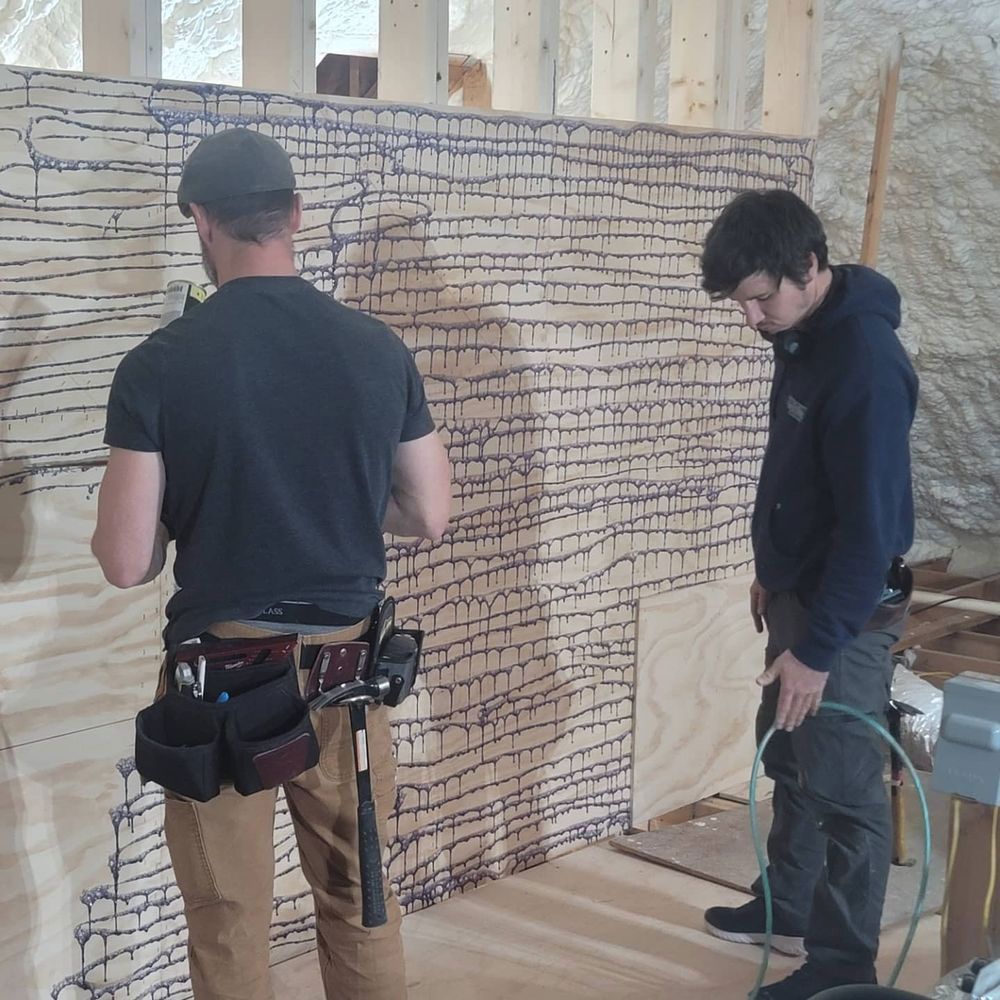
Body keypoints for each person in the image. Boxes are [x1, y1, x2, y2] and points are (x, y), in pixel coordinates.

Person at [91, 127, 451, 1000]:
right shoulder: (375, 348)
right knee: (359, 898)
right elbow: (428, 513)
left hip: (221, 687)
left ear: (200, 221)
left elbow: (127, 559)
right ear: (294, 213)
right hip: (348, 674)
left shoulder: (160, 365)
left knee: (230, 918)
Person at [698, 189, 918, 1000]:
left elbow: (872, 532)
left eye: (760, 297)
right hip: (800, 591)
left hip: (847, 614)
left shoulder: (864, 364)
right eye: (740, 302)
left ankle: (839, 966)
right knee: (789, 752)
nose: (751, 318)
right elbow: (803, 477)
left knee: (845, 788)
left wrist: (819, 648)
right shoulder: (805, 335)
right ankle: (785, 903)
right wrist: (775, 567)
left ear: (810, 267)